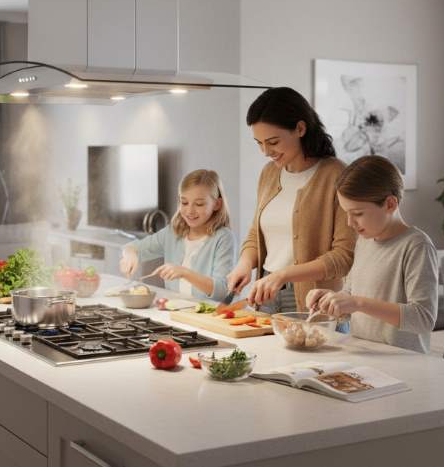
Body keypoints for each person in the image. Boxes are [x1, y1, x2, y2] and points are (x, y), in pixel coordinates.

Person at [225, 87, 355, 313]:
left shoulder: (336, 176)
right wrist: (244, 265)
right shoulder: (269, 173)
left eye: (273, 142)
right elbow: (256, 234)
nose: (266, 151)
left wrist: (284, 274)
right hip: (265, 292)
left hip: (313, 301)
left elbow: (344, 256)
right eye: (259, 143)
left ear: (300, 128)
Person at [306, 155, 438, 353]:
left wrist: (358, 303)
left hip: (403, 362)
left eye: (358, 214)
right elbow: (352, 293)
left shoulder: (416, 246)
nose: (350, 223)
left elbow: (423, 318)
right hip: (365, 354)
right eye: (346, 213)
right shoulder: (365, 240)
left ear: (390, 204)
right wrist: (333, 298)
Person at [120, 169, 236, 300]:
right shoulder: (173, 233)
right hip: (176, 312)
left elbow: (222, 291)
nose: (190, 211)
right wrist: (130, 254)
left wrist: (184, 272)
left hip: (210, 316)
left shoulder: (224, 238)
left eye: (199, 204)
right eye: (184, 202)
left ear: (217, 204)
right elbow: (133, 248)